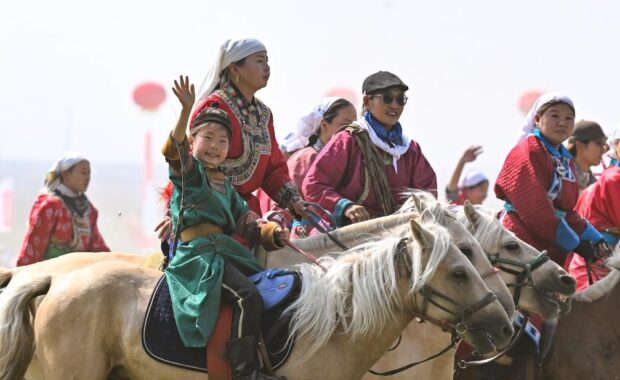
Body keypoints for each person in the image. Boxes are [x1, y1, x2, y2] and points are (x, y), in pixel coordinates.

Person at [163, 76, 287, 380]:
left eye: (222, 141)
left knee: (271, 289)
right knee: (247, 296)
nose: (215, 146)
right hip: (199, 257)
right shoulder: (190, 174)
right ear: (192, 142)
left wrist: (270, 232)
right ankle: (245, 374)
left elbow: (246, 220)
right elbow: (172, 152)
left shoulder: (226, 185)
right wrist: (185, 112)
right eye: (208, 137)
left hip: (225, 252)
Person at [191, 37, 307, 218]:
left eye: (267, 61)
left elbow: (272, 169)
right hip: (211, 209)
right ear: (234, 68)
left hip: (247, 212)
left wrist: (294, 201)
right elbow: (191, 162)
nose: (267, 67)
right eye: (260, 61)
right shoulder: (215, 107)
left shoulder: (263, 114)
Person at [303, 71, 437, 226]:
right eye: (387, 98)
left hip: (398, 234)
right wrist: (345, 206)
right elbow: (314, 185)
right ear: (367, 102)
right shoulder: (349, 140)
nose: (394, 105)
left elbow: (428, 195)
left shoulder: (410, 149)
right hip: (351, 234)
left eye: (400, 99)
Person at [495, 93, 610, 266]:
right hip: (519, 239)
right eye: (554, 116)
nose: (562, 123)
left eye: (568, 118)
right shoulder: (529, 151)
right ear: (537, 119)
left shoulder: (564, 158)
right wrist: (575, 243)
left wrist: (593, 238)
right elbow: (535, 210)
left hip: (550, 241)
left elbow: (564, 210)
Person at [259, 98, 357, 238]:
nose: (351, 131)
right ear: (324, 126)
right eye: (345, 125)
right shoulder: (306, 158)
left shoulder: (347, 162)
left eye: (355, 125)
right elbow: (283, 207)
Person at [17, 152, 109, 266]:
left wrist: (114, 263)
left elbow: (96, 246)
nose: (87, 178)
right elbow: (33, 247)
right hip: (49, 273)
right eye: (83, 172)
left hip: (79, 272)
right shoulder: (49, 206)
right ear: (66, 174)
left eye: (89, 173)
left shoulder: (89, 210)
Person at [568, 124, 620, 290]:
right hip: (598, 268)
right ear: (616, 145)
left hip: (595, 264)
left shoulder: (606, 177)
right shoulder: (614, 179)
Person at [566, 120, 608, 191]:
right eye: (599, 144)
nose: (603, 149)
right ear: (580, 145)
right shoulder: (563, 179)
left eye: (603, 144)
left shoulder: (594, 184)